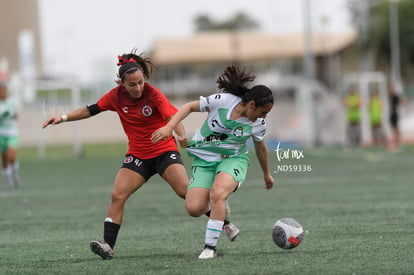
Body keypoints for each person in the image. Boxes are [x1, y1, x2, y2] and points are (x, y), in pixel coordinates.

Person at [42, 49, 239, 260]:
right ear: (122, 84)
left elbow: (173, 117)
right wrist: (62, 118)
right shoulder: (115, 97)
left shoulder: (153, 94)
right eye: (132, 84)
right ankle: (108, 245)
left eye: (141, 82)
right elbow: (90, 110)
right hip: (138, 156)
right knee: (117, 195)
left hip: (164, 152)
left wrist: (181, 136)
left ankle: (224, 223)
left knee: (186, 192)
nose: (138, 87)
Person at [152, 65, 275, 259]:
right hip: (204, 158)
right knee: (194, 208)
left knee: (218, 193)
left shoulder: (258, 125)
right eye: (263, 112)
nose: (264, 117)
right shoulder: (223, 101)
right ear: (251, 105)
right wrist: (169, 128)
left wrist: (266, 174)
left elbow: (260, 147)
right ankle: (222, 218)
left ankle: (210, 247)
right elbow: (189, 107)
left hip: (233, 159)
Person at [0, 81, 21, 189]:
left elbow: (17, 116)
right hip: (1, 134)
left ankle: (15, 174)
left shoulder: (12, 101)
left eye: (4, 89)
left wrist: (11, 114)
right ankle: (8, 180)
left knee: (11, 156)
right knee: (4, 159)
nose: (2, 92)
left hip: (12, 133)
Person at [388, 85, 402, 151]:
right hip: (391, 114)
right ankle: (396, 141)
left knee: (396, 128)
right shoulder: (390, 97)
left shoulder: (395, 96)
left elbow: (400, 102)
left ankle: (397, 141)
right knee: (393, 128)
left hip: (395, 114)